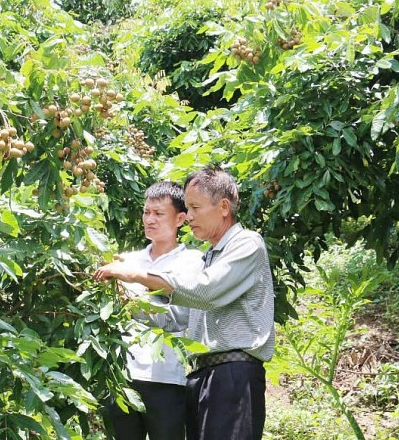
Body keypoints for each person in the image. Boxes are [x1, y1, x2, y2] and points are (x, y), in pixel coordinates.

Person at [94, 165, 275, 440]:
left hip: (233, 375)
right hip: (201, 376)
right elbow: (176, 318)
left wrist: (139, 275)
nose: (188, 217)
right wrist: (123, 298)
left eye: (195, 207)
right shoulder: (210, 256)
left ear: (224, 207)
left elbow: (206, 291)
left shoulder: (247, 244)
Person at [103, 181, 204, 440]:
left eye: (159, 213)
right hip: (123, 376)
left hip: (168, 379)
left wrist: (131, 295)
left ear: (180, 218)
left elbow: (179, 318)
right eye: (147, 212)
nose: (150, 219)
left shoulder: (192, 262)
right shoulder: (126, 260)